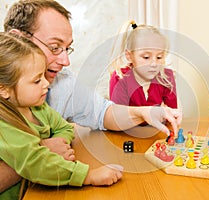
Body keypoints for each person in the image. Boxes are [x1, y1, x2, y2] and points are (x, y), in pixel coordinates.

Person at [1, 0, 182, 194]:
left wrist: (144, 112)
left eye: (67, 48)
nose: (65, 61)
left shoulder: (61, 83)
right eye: (54, 47)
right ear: (18, 40)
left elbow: (103, 113)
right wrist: (40, 154)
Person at [0, 32, 123, 200]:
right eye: (37, 80)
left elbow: (64, 127)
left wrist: (60, 143)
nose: (46, 84)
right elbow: (36, 163)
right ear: (3, 89)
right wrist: (88, 176)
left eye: (44, 75)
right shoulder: (5, 125)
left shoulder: (38, 107)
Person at [109, 21, 177, 108]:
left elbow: (172, 116)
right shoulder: (120, 78)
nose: (154, 64)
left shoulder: (166, 77)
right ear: (129, 56)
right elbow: (118, 118)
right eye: (146, 57)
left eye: (159, 57)